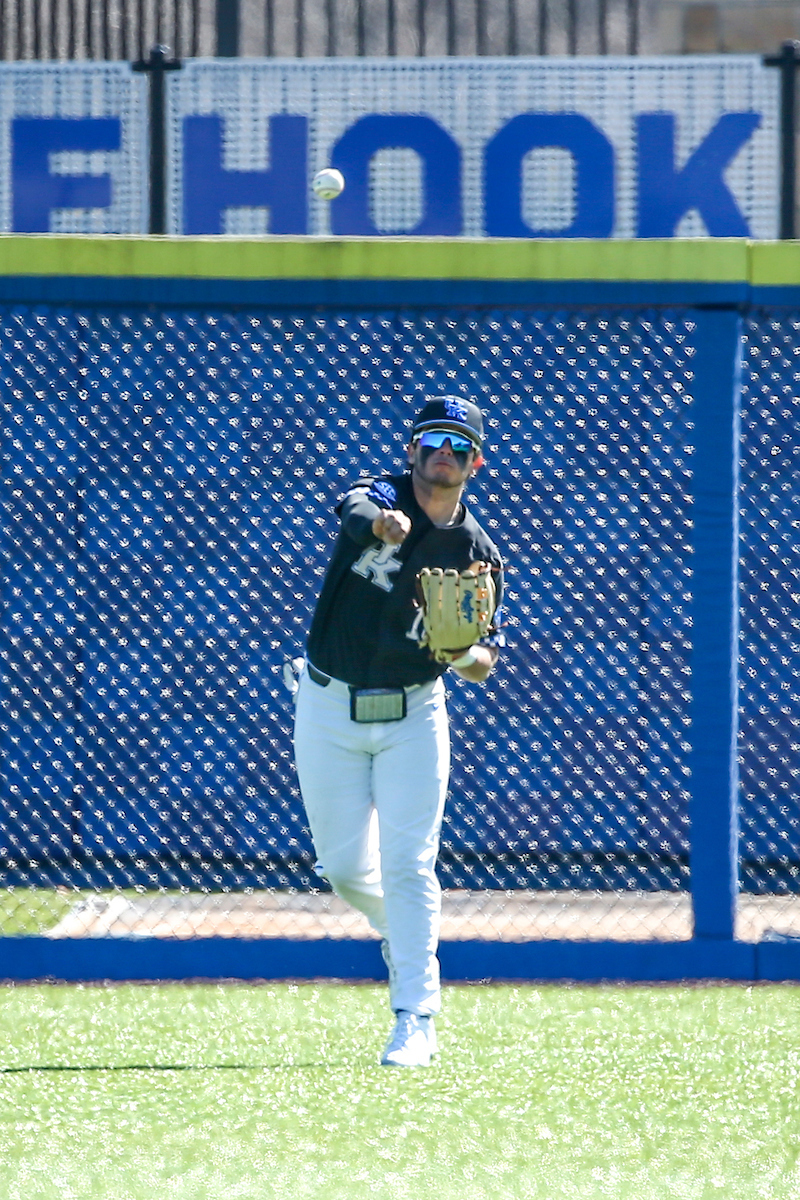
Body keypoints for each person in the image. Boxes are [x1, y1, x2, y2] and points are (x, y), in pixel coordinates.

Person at [293, 396, 504, 1067]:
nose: (445, 453)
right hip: (329, 704)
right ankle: (405, 932)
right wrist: (383, 526)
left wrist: (459, 652)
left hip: (415, 712)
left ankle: (416, 1017)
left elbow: (484, 661)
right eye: (433, 441)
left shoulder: (476, 552)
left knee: (410, 865)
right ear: (412, 450)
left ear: (476, 463)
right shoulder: (381, 494)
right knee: (345, 870)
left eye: (460, 445)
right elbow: (357, 512)